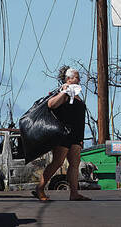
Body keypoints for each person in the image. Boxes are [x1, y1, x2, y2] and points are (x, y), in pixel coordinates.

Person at [33, 67, 90, 201]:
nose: (79, 79)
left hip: (76, 135)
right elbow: (51, 105)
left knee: (75, 163)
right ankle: (40, 188)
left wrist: (81, 138)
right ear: (68, 79)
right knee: (58, 162)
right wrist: (64, 91)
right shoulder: (64, 91)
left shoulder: (76, 93)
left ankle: (74, 193)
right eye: (76, 77)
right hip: (63, 134)